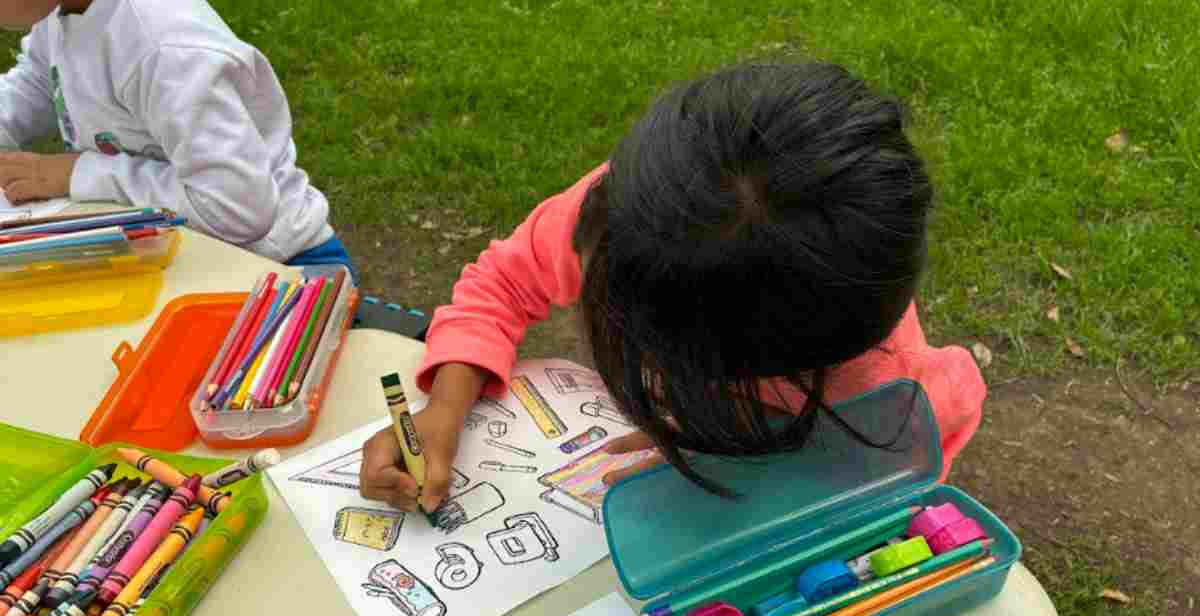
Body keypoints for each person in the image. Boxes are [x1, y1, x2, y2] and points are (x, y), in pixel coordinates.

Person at [360, 62, 985, 511]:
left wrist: (746, 458)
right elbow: (503, 281)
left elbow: (895, 480)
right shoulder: (636, 215)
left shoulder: (889, 391)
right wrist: (444, 408)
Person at [0, 0, 352, 273]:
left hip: (279, 271)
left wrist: (78, 174)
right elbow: (39, 82)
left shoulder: (164, 47)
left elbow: (237, 206)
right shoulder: (64, 12)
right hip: (178, 256)